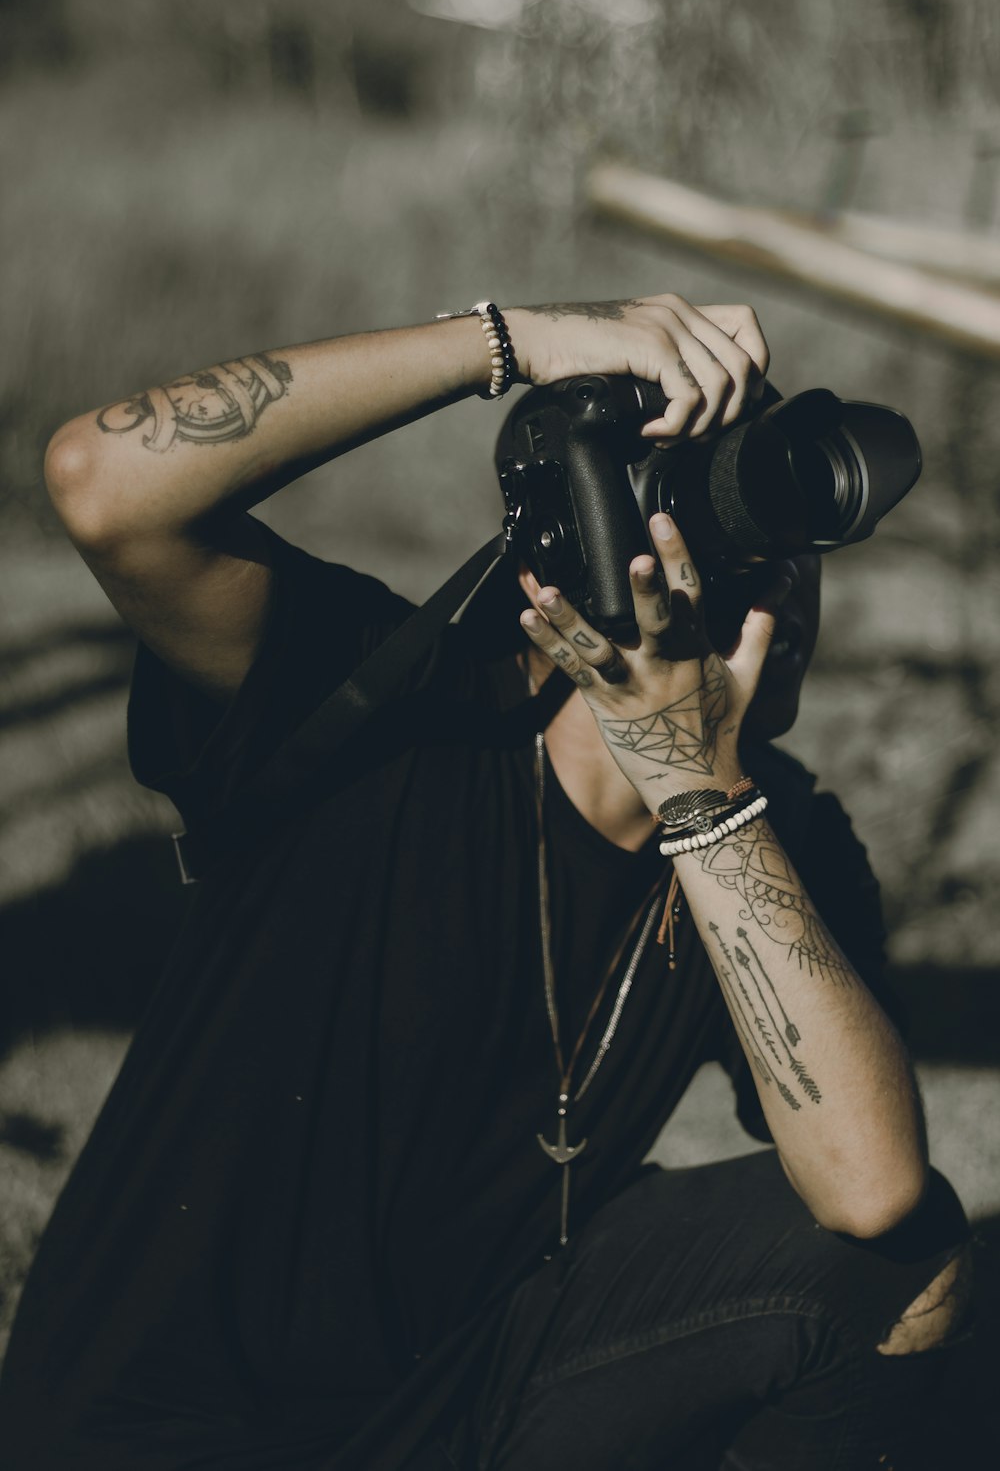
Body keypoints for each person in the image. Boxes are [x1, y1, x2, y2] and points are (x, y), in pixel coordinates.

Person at [0, 295, 971, 1469]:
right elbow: (100, 481)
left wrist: (696, 795)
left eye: (793, 550)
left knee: (897, 1275)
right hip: (157, 1429)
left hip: (461, 1397)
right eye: (722, 537)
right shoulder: (383, 700)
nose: (778, 582)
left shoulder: (782, 832)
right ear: (578, 557)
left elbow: (874, 1202)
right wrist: (510, 340)